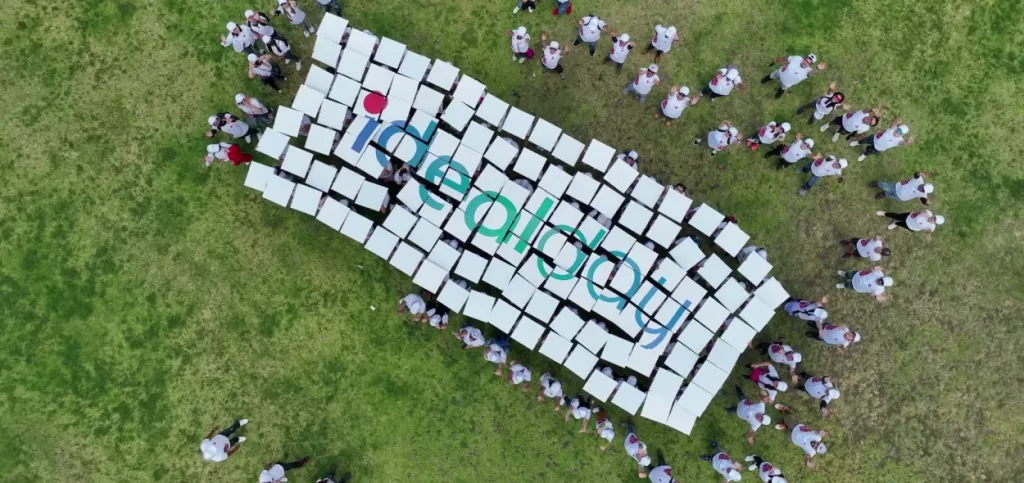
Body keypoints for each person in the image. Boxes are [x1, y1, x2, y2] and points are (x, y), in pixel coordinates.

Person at [761, 53, 826, 98]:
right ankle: (766, 79)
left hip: (786, 83)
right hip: (780, 72)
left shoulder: (808, 71)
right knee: (772, 75)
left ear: (810, 65)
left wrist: (817, 69)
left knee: (783, 88)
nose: (805, 63)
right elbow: (787, 58)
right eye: (806, 60)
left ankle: (780, 92)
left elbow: (810, 74)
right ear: (804, 58)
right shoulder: (797, 58)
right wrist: (777, 60)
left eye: (809, 63)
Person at [877, 210, 944, 234]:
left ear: (934, 223)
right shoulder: (928, 213)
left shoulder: (932, 226)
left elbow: (930, 231)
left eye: (934, 220)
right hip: (909, 217)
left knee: (901, 224)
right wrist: (922, 213)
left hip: (912, 227)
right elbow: (922, 211)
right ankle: (885, 213)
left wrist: (929, 232)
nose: (932, 218)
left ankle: (896, 223)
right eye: (934, 217)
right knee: (897, 216)